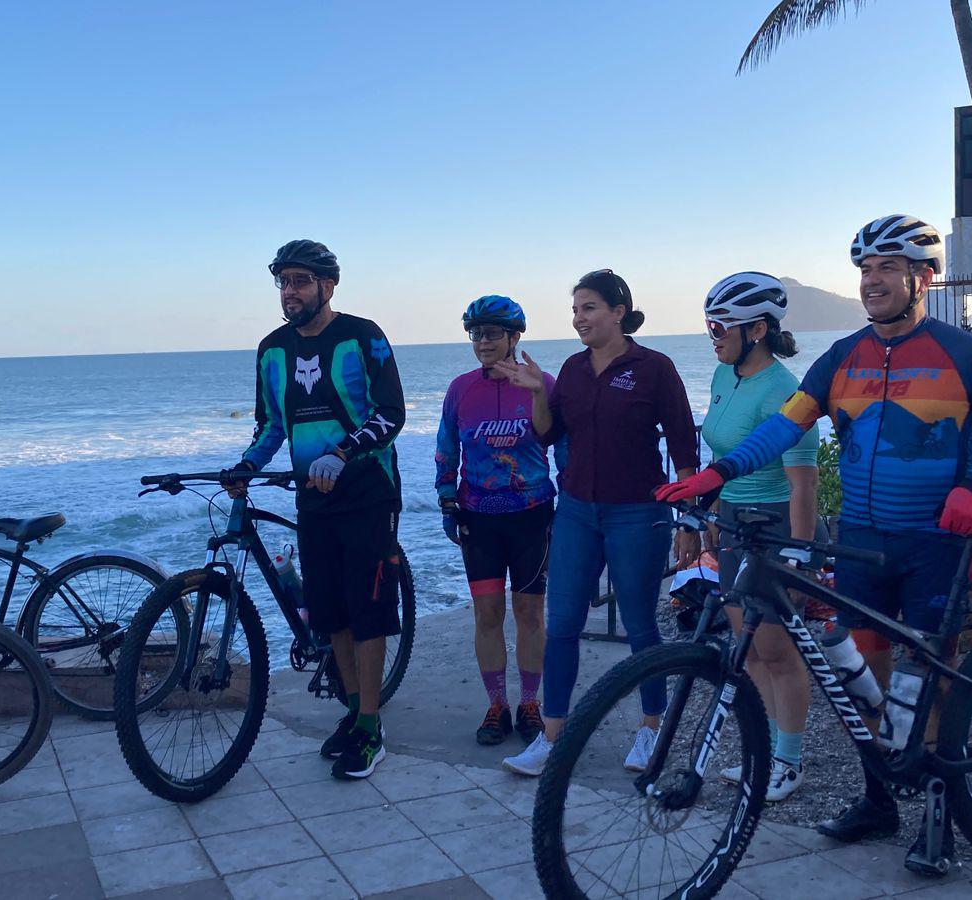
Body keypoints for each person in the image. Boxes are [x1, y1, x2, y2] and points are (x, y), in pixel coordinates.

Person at [657, 215, 972, 875]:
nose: (872, 281)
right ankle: (879, 799)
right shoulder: (843, 358)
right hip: (860, 546)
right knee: (865, 679)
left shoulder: (962, 352)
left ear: (925, 277)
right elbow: (784, 428)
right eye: (864, 269)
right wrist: (721, 473)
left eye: (887, 267)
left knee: (930, 683)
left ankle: (940, 818)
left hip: (932, 544)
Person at [495, 268, 700, 777]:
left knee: (639, 623)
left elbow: (682, 444)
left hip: (638, 513)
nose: (578, 318)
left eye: (589, 308)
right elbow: (547, 434)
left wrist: (691, 517)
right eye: (575, 309)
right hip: (577, 513)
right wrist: (537, 393)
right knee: (562, 624)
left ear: (618, 312)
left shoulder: (653, 367)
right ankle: (553, 738)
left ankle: (652, 729)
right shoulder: (572, 368)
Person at [227, 240, 405, 781]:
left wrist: (343, 453)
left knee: (366, 610)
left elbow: (391, 414)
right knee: (330, 615)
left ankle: (372, 728)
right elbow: (272, 427)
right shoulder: (271, 349)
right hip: (314, 497)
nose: (290, 292)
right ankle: (354, 713)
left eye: (301, 281)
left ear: (328, 285)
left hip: (367, 491)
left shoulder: (362, 335)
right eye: (283, 281)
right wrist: (245, 467)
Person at [694, 272, 820, 802]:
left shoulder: (786, 392)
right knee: (746, 648)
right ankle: (769, 750)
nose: (712, 335)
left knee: (775, 649)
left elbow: (804, 486)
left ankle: (788, 762)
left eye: (720, 326)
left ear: (759, 330)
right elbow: (721, 459)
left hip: (773, 523)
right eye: (708, 326)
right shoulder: (727, 377)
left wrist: (799, 552)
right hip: (734, 522)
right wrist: (707, 520)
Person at [435, 295, 562, 746]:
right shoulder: (461, 389)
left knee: (530, 613)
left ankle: (530, 702)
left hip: (531, 517)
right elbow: (447, 448)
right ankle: (496, 705)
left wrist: (568, 508)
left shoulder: (542, 382)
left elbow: (559, 444)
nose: (482, 342)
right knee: (487, 614)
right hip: (479, 519)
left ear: (514, 337)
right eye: (476, 334)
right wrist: (447, 499)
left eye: (491, 333)